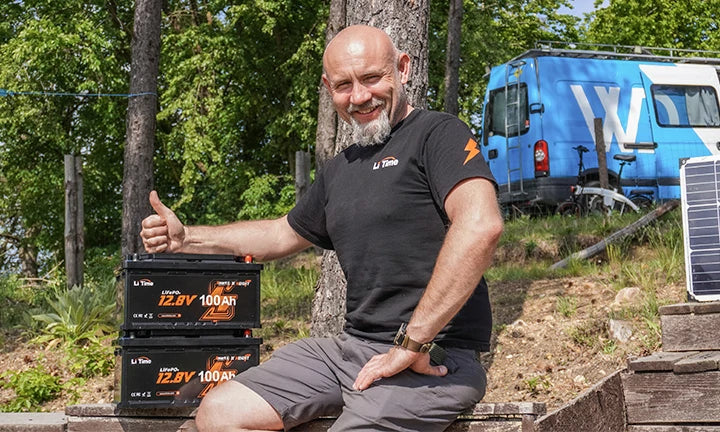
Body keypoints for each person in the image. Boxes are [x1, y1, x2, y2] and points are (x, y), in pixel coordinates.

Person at [140, 24, 503, 432]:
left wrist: (411, 342)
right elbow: (281, 234)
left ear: (402, 69)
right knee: (220, 413)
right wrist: (188, 238)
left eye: (371, 78)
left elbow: (480, 225)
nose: (359, 96)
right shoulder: (340, 169)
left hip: (434, 357)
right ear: (328, 88)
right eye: (344, 85)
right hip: (351, 351)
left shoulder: (438, 134)